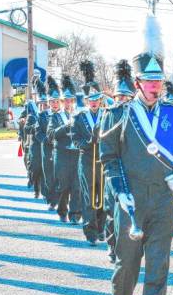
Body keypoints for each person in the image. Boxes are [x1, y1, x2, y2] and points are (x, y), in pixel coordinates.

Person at [99, 13, 173, 295]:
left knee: (159, 261)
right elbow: (108, 158)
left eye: (159, 81)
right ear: (137, 83)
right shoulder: (119, 115)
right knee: (128, 263)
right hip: (131, 196)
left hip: (163, 197)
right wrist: (119, 192)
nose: (155, 86)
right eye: (149, 81)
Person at [102, 59, 136, 264]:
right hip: (114, 167)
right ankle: (112, 245)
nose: (123, 99)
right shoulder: (110, 113)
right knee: (111, 210)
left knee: (129, 210)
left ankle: (127, 248)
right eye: (120, 96)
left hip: (132, 169)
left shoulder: (136, 113)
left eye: (126, 96)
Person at [73, 60, 108, 245]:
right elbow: (75, 139)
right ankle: (90, 232)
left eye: (96, 100)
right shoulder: (79, 117)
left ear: (100, 100)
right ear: (86, 101)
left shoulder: (107, 115)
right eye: (91, 100)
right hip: (86, 160)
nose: (94, 103)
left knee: (102, 196)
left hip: (103, 160)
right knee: (88, 197)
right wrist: (89, 142)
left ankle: (102, 228)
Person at [47, 75, 82, 224]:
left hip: (76, 154)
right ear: (61, 102)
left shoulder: (79, 115)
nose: (68, 103)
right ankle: (62, 210)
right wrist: (65, 126)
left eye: (70, 100)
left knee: (77, 185)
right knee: (64, 185)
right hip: (61, 154)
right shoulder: (55, 117)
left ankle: (75, 214)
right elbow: (50, 135)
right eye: (65, 100)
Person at [24, 77, 48, 200]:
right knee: (35, 169)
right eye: (42, 104)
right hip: (35, 146)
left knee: (45, 170)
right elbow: (26, 129)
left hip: (46, 146)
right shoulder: (32, 116)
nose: (44, 106)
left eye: (45, 104)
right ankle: (35, 187)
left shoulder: (50, 116)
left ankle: (43, 192)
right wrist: (35, 126)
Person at [40, 77, 60, 211]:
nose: (55, 104)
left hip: (61, 150)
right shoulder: (43, 115)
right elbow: (38, 133)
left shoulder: (64, 115)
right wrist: (47, 139)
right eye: (52, 101)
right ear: (49, 102)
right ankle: (51, 199)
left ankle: (58, 199)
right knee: (49, 175)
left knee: (60, 175)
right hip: (47, 148)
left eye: (57, 101)